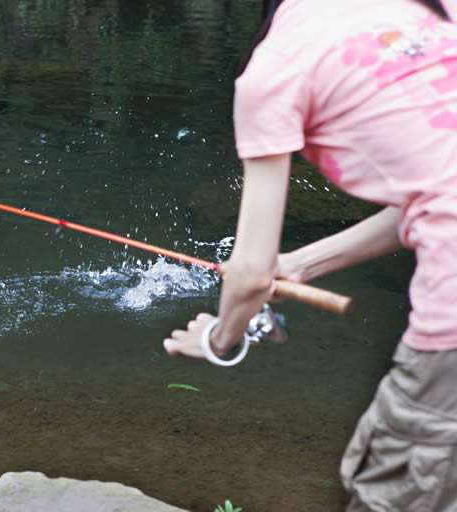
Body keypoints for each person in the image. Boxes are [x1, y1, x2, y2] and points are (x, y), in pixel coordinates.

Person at [162, 0, 457, 510]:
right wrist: (300, 264)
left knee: (393, 493)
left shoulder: (274, 68)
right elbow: (434, 198)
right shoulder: (429, 12)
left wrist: (219, 337)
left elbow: (250, 274)